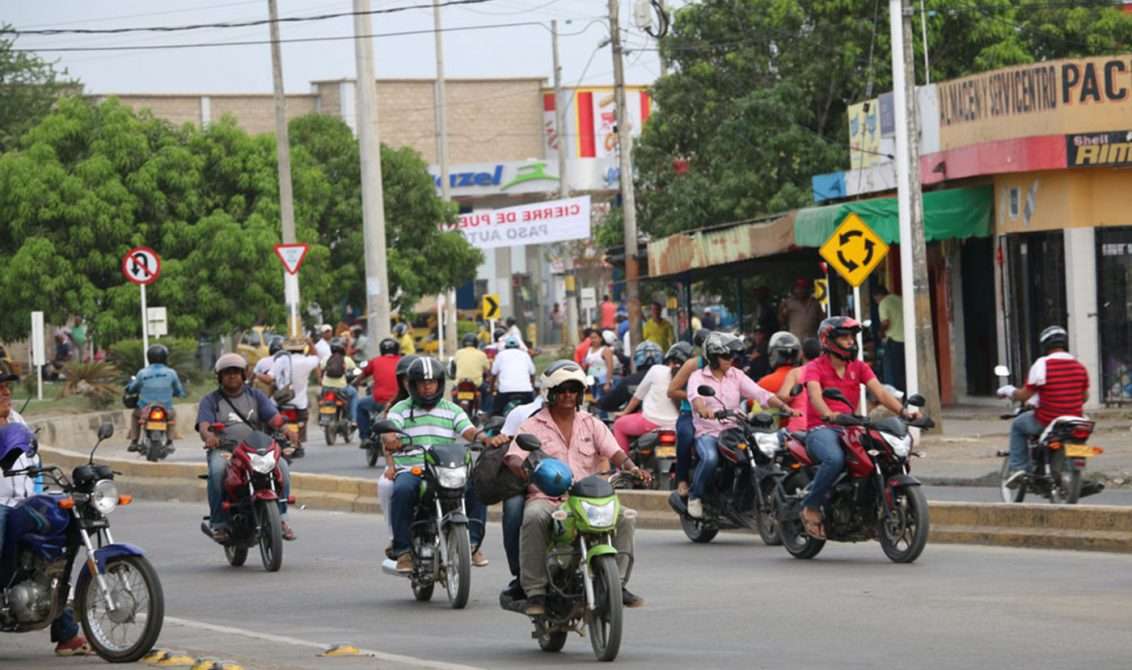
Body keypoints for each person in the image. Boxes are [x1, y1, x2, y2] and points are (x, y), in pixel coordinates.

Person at [504, 360, 648, 614]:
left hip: (588, 499)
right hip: (548, 498)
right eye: (562, 389)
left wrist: (633, 468)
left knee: (625, 517)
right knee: (534, 515)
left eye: (573, 389)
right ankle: (535, 592)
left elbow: (614, 452)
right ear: (550, 393)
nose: (568, 395)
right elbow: (515, 456)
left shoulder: (591, 423)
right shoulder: (532, 425)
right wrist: (521, 468)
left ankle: (619, 584)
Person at [0, 364, 94, 656]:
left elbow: (33, 464)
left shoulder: (17, 420)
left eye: (6, 386)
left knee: (66, 533)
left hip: (24, 502)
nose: (6, 391)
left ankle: (65, 631)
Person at [384, 357, 503, 571]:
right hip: (414, 469)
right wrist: (391, 438)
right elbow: (391, 430)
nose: (428, 387)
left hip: (446, 469)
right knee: (402, 490)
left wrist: (486, 439)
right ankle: (402, 551)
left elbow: (468, 431)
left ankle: (473, 544)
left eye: (432, 382)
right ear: (413, 385)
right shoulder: (400, 409)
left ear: (440, 384)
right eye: (422, 382)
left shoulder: (452, 409)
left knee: (478, 487)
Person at [800, 316, 913, 539]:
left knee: (881, 455)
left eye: (852, 336)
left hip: (851, 427)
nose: (851, 341)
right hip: (821, 429)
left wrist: (904, 412)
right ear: (828, 340)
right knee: (834, 459)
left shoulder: (859, 367)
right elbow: (814, 395)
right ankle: (810, 506)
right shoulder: (814, 368)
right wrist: (828, 414)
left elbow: (880, 393)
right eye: (844, 337)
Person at [685, 332, 795, 519]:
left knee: (757, 456)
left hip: (734, 430)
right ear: (712, 357)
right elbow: (696, 399)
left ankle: (741, 500)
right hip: (709, 432)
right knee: (710, 458)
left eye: (732, 356)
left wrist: (786, 408)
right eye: (726, 356)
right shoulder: (697, 377)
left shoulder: (736, 375)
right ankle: (695, 496)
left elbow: (761, 393)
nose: (731, 359)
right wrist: (705, 410)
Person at [197, 353, 298, 542]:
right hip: (226, 451)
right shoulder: (210, 400)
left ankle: (282, 519)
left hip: (256, 450)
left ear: (243, 375)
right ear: (220, 376)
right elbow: (204, 425)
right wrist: (210, 437)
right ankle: (220, 524)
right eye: (227, 373)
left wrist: (287, 430)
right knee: (218, 471)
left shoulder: (256, 396)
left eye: (236, 372)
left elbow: (273, 417)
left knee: (282, 466)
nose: (232, 376)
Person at [997, 325, 1090, 488]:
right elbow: (1084, 397)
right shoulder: (1079, 367)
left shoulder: (1042, 364)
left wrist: (1009, 391)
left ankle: (1018, 468)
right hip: (1074, 421)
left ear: (1045, 345)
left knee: (1018, 425)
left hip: (1047, 420)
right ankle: (1078, 473)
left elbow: (1025, 395)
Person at [611, 342, 680, 452]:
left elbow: (638, 395)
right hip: (677, 425)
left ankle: (623, 466)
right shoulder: (691, 375)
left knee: (618, 425)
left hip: (650, 422)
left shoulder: (656, 370)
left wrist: (624, 412)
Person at [666, 330, 711, 497]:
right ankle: (682, 479)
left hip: (718, 415)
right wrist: (694, 396)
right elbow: (671, 391)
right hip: (689, 413)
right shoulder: (693, 364)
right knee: (685, 436)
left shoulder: (726, 366)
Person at [125, 344, 188, 452]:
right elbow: (179, 391)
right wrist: (179, 393)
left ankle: (134, 442)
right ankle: (170, 442)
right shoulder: (171, 373)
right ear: (165, 357)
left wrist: (129, 388)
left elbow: (132, 388)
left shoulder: (142, 373)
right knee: (172, 416)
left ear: (148, 357)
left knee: (135, 415)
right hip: (165, 409)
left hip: (145, 410)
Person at [269, 337, 321, 444]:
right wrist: (311, 343)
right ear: (303, 349)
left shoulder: (281, 360)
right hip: (300, 404)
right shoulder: (307, 361)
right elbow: (316, 357)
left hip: (280, 401)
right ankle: (299, 440)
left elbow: (270, 377)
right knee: (302, 421)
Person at [354, 337, 402, 443]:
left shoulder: (375, 361)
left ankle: (365, 437)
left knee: (360, 405)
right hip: (400, 399)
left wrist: (355, 383)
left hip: (380, 400)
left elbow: (363, 374)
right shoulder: (402, 361)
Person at [777, 337, 822, 433]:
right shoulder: (826, 373)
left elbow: (783, 396)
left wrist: (795, 393)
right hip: (822, 426)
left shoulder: (796, 373)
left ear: (801, 354)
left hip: (798, 426)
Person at [873, 284, 906, 391]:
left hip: (894, 340)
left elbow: (886, 322)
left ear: (878, 296)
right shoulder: (899, 299)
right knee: (905, 370)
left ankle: (895, 395)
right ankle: (906, 393)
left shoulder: (883, 303)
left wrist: (880, 332)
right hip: (907, 340)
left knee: (892, 371)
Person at [491, 336, 536, 415]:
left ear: (506, 346)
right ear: (518, 346)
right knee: (533, 414)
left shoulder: (500, 355)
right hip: (526, 391)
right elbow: (532, 373)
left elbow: (494, 374)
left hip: (505, 392)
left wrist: (492, 389)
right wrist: (532, 386)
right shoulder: (525, 355)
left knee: (497, 414)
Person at [320, 337, 358, 425]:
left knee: (322, 400)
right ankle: (353, 420)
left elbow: (321, 369)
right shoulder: (347, 360)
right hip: (341, 388)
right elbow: (355, 370)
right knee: (354, 394)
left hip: (326, 388)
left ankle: (322, 417)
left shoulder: (326, 359)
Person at [583, 330, 619, 400]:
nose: (593, 340)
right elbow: (585, 364)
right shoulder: (589, 350)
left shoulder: (605, 350)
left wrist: (607, 383)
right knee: (593, 400)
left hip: (602, 380)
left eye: (595, 337)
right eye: (591, 338)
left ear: (600, 338)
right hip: (591, 380)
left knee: (600, 401)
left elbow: (610, 367)